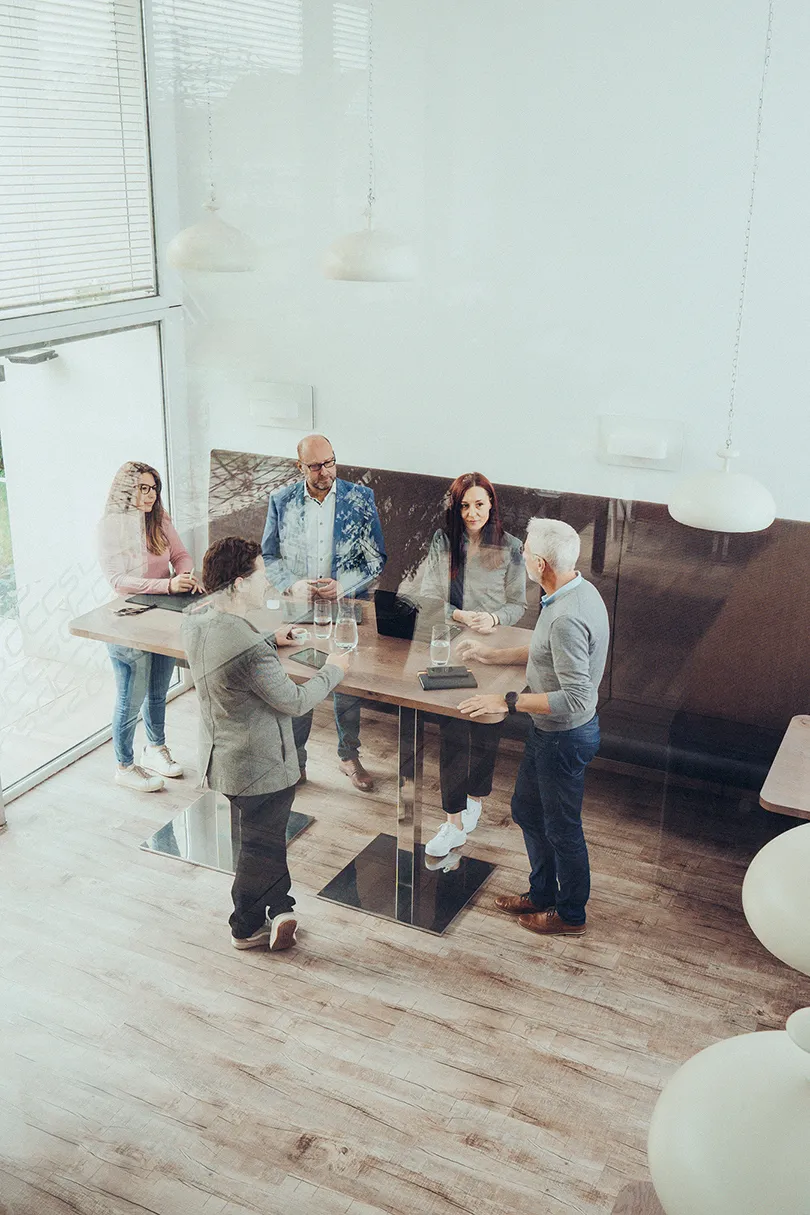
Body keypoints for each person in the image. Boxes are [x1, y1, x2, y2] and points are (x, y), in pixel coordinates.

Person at [181, 537, 350, 951]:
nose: (267, 582)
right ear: (239, 584)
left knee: (265, 840)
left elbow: (230, 651)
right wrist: (334, 669)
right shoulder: (248, 648)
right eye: (261, 574)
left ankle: (281, 908)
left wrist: (271, 639)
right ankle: (245, 927)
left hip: (222, 756)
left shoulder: (198, 621)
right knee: (259, 847)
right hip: (260, 766)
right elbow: (295, 701)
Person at [457, 518, 609, 936]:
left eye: (524, 550)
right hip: (549, 731)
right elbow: (546, 651)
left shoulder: (565, 617)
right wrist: (492, 655)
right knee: (526, 810)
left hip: (564, 737)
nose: (520, 554)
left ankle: (570, 915)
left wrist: (507, 701)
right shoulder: (573, 591)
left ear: (539, 563)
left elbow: (578, 697)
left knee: (563, 829)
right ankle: (541, 893)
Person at [261, 434, 386, 792]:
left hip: (345, 606)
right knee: (299, 678)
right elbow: (270, 555)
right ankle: (296, 762)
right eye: (315, 466)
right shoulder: (281, 500)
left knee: (344, 679)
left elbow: (376, 558)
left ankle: (349, 756)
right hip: (299, 608)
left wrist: (343, 584)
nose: (325, 472)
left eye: (330, 462)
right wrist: (292, 585)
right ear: (299, 466)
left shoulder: (360, 497)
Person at [419, 472, 526, 860]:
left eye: (479, 504)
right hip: (451, 644)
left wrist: (494, 618)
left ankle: (475, 798)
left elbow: (518, 604)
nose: (472, 513)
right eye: (464, 505)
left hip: (493, 649)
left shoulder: (511, 547)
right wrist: (460, 615)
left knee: (485, 729)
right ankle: (453, 822)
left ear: (491, 504)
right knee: (452, 727)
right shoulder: (443, 541)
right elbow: (429, 595)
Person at [98, 461, 202, 793]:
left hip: (164, 614)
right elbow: (118, 581)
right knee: (130, 696)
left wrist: (184, 575)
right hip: (127, 619)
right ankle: (124, 766)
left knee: (158, 690)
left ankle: (155, 748)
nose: (150, 495)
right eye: (142, 488)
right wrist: (166, 586)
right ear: (125, 491)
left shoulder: (160, 519)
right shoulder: (110, 527)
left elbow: (181, 555)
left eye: (153, 488)